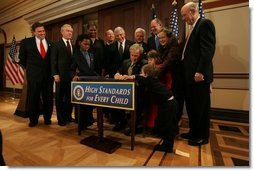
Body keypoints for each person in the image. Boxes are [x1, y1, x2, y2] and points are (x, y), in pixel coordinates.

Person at [180, 2, 216, 146]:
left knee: (201, 108)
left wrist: (200, 71)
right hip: (189, 76)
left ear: (193, 11)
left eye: (184, 15)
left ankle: (202, 136)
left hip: (198, 76)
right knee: (192, 107)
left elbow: (207, 51)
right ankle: (194, 131)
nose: (183, 18)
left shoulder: (205, 24)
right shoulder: (193, 27)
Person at [130, 64, 177, 153]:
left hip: (169, 105)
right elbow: (142, 78)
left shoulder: (150, 80)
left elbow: (140, 78)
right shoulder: (151, 80)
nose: (140, 74)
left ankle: (167, 147)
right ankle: (166, 145)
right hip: (168, 104)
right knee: (164, 125)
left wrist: (129, 76)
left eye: (142, 73)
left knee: (166, 126)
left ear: (147, 74)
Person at [19, 22, 53, 127]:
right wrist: (30, 70)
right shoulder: (26, 42)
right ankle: (33, 120)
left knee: (48, 98)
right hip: (34, 76)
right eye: (39, 31)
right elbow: (22, 59)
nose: (42, 33)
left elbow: (52, 60)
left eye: (43, 31)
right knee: (33, 98)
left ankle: (47, 118)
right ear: (34, 32)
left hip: (48, 76)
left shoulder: (51, 43)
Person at [114, 43, 147, 135]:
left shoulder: (144, 63)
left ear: (140, 55)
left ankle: (134, 127)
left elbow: (143, 76)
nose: (134, 57)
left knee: (137, 104)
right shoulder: (126, 62)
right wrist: (117, 74)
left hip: (138, 92)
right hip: (123, 91)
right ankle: (121, 123)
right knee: (114, 100)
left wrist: (131, 77)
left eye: (136, 55)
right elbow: (118, 72)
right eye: (132, 55)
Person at [157, 28, 184, 132]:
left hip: (177, 80)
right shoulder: (162, 46)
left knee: (176, 104)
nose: (161, 40)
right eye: (159, 38)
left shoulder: (174, 47)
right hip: (167, 79)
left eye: (163, 37)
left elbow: (167, 62)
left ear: (168, 37)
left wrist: (154, 72)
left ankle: (174, 128)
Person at [71, 34, 99, 130]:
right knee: (81, 104)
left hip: (91, 82)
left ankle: (89, 119)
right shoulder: (75, 54)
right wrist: (74, 76)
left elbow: (91, 69)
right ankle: (81, 122)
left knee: (89, 103)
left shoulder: (91, 55)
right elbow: (71, 69)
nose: (87, 46)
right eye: (85, 44)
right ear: (79, 43)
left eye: (89, 45)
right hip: (81, 82)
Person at [51, 24, 74, 126]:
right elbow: (53, 61)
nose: (70, 33)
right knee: (60, 99)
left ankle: (68, 116)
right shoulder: (56, 44)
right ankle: (61, 119)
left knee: (70, 99)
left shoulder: (73, 45)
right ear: (62, 32)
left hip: (71, 77)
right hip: (60, 76)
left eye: (71, 31)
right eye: (68, 31)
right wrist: (55, 74)